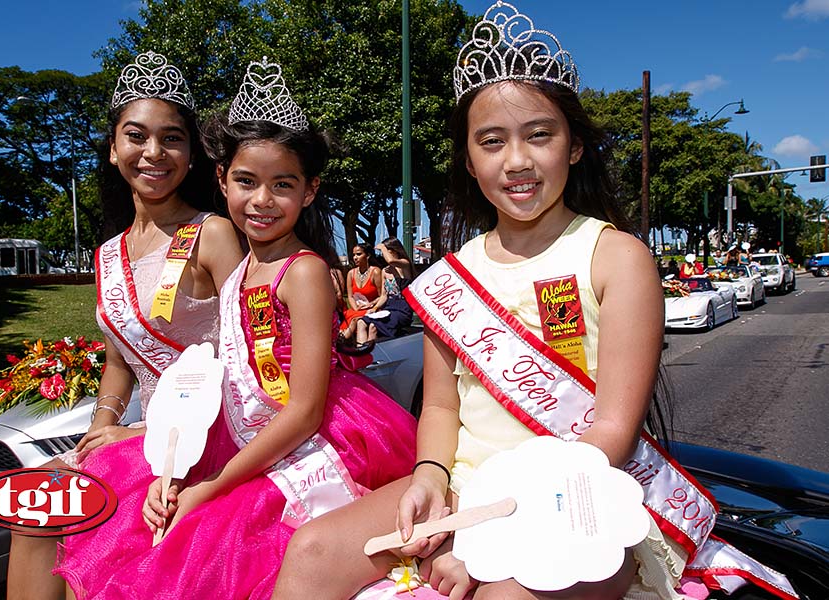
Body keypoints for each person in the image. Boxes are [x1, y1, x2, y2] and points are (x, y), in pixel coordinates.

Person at [273, 4, 793, 600]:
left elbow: (613, 433)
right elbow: (442, 410)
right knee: (312, 551)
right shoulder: (452, 276)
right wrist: (429, 477)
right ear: (470, 162)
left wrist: (486, 539)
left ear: (573, 146)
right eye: (492, 142)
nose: (516, 161)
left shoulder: (615, 257)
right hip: (465, 491)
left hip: (579, 500)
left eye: (539, 135)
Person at [55, 58, 417, 600]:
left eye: (283, 185)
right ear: (222, 180)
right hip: (239, 433)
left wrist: (210, 486)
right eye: (246, 182)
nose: (262, 201)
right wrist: (177, 473)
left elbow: (302, 410)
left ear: (310, 191)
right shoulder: (243, 267)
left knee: (205, 550)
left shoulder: (307, 272)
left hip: (319, 438)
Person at [8, 51, 243, 600]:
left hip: (208, 436)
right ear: (114, 149)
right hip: (137, 436)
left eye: (173, 138)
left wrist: (135, 433)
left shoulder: (213, 235)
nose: (154, 153)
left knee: (97, 541)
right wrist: (101, 426)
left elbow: (248, 357)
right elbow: (119, 357)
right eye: (137, 136)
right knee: (35, 508)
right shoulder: (109, 254)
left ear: (191, 154)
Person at [356, 236, 415, 345]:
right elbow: (384, 296)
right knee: (361, 322)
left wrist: (382, 247)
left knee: (374, 326)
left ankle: (370, 354)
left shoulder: (404, 265)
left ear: (392, 251)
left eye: (385, 252)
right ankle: (361, 353)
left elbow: (391, 261)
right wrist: (375, 307)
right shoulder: (385, 271)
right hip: (388, 307)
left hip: (402, 309)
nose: (382, 255)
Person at [339, 242, 386, 343]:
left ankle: (343, 340)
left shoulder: (376, 272)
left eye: (359, 254)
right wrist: (355, 308)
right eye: (354, 255)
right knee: (350, 314)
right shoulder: (351, 273)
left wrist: (372, 304)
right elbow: (350, 296)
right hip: (356, 309)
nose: (355, 257)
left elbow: (382, 295)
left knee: (355, 318)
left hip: (372, 309)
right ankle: (342, 341)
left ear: (368, 256)